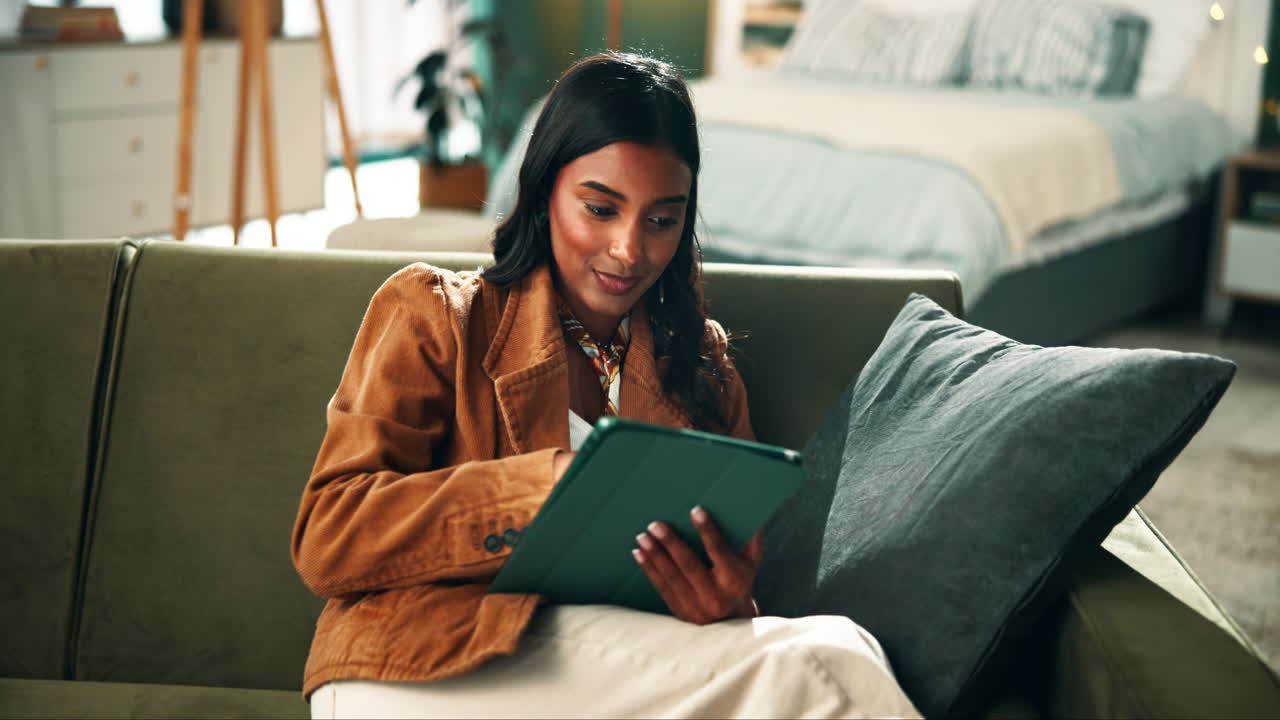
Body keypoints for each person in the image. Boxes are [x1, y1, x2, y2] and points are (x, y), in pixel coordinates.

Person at [292, 52, 919, 719]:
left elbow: (730, 605)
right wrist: (547, 486)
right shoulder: (436, 316)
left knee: (837, 648)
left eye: (661, 220)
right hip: (415, 663)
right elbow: (330, 537)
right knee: (824, 666)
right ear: (542, 197)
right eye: (600, 208)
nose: (629, 249)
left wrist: (729, 605)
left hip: (604, 674)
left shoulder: (702, 367)